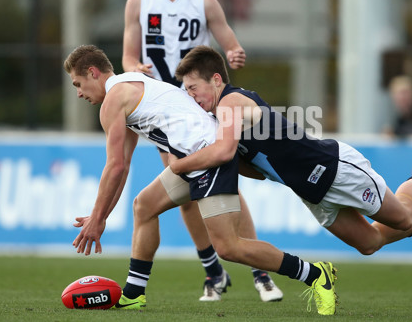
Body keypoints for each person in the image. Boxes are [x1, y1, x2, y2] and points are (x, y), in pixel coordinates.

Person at [64, 45, 337, 315]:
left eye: (78, 83)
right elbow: (121, 167)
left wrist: (98, 218)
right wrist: (100, 216)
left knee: (229, 247)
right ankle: (134, 294)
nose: (78, 93)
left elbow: (115, 166)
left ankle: (315, 275)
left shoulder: (113, 101)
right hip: (193, 158)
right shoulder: (134, 82)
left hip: (209, 157)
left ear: (93, 72)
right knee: (144, 206)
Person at [168, 46, 412, 260]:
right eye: (186, 90)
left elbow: (223, 153)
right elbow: (247, 166)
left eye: (194, 87)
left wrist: (180, 166)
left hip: (332, 168)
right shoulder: (220, 117)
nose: (191, 96)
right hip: (310, 190)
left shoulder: (230, 103)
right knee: (369, 244)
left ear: (217, 80)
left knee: (404, 220)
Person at [121, 0, 282, 302]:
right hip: (162, 112)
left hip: (201, 109)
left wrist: (237, 52)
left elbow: (229, 41)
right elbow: (128, 55)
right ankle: (214, 271)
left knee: (226, 185)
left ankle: (260, 270)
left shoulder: (204, 1)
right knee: (186, 194)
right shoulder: (139, 2)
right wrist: (135, 68)